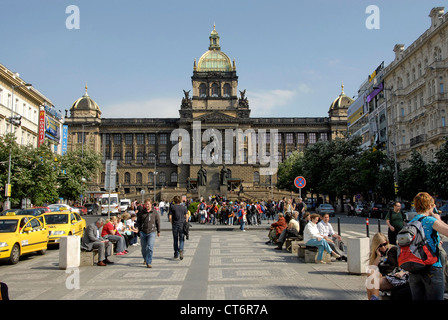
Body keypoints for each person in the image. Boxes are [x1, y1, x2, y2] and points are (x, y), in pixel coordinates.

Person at [407, 192, 448, 300]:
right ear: (430, 205)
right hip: (431, 268)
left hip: (414, 269)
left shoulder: (411, 222)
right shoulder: (429, 220)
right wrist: (438, 218)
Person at [366, 232, 411, 300]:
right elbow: (372, 268)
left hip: (394, 276)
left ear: (387, 242)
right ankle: (375, 298)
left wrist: (401, 272)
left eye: (384, 244)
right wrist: (378, 256)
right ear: (376, 246)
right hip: (382, 276)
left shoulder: (393, 250)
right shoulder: (375, 254)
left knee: (371, 282)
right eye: (380, 246)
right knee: (371, 274)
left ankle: (374, 298)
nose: (383, 247)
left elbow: (404, 264)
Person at [137, 199, 160, 268]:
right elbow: (138, 221)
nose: (147, 205)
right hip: (143, 232)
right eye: (146, 204)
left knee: (150, 247)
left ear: (151, 204)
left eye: (148, 204)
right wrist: (139, 229)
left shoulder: (154, 212)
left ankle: (149, 262)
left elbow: (158, 221)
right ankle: (145, 258)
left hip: (152, 232)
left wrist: (158, 231)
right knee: (144, 248)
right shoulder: (142, 212)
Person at [169, 195, 188, 260]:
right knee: (182, 238)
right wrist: (186, 222)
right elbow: (186, 216)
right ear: (180, 200)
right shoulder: (183, 207)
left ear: (174, 200)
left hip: (175, 225)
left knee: (175, 239)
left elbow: (170, 217)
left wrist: (172, 223)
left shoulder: (172, 207)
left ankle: (176, 254)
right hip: (182, 225)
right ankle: (181, 248)